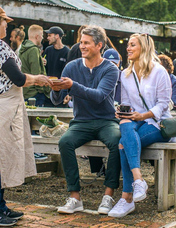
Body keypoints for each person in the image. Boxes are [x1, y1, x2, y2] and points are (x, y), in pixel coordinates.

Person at [0, 5, 52, 226]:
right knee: (1, 161)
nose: (7, 25)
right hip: (4, 109)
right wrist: (37, 78)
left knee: (3, 158)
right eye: (4, 21)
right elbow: (17, 78)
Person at [51, 26, 121, 215]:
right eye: (81, 42)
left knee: (117, 142)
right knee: (64, 142)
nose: (82, 46)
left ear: (99, 45)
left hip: (106, 121)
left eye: (86, 43)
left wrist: (73, 85)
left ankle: (108, 195)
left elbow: (99, 96)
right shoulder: (71, 66)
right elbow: (57, 101)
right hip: (81, 122)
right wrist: (56, 88)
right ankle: (75, 197)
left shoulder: (110, 69)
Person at [108, 34, 172, 218]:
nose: (128, 48)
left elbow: (163, 104)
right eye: (128, 45)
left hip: (158, 124)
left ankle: (127, 198)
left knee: (122, 144)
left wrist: (142, 115)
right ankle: (139, 180)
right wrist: (123, 113)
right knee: (125, 125)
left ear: (143, 48)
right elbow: (127, 102)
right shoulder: (125, 74)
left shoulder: (159, 72)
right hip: (135, 122)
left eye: (132, 45)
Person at [19, 24, 50, 107]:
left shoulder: (23, 49)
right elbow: (36, 73)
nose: (43, 38)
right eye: (42, 36)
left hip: (25, 91)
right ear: (37, 36)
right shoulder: (33, 49)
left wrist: (40, 60)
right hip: (34, 94)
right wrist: (42, 91)